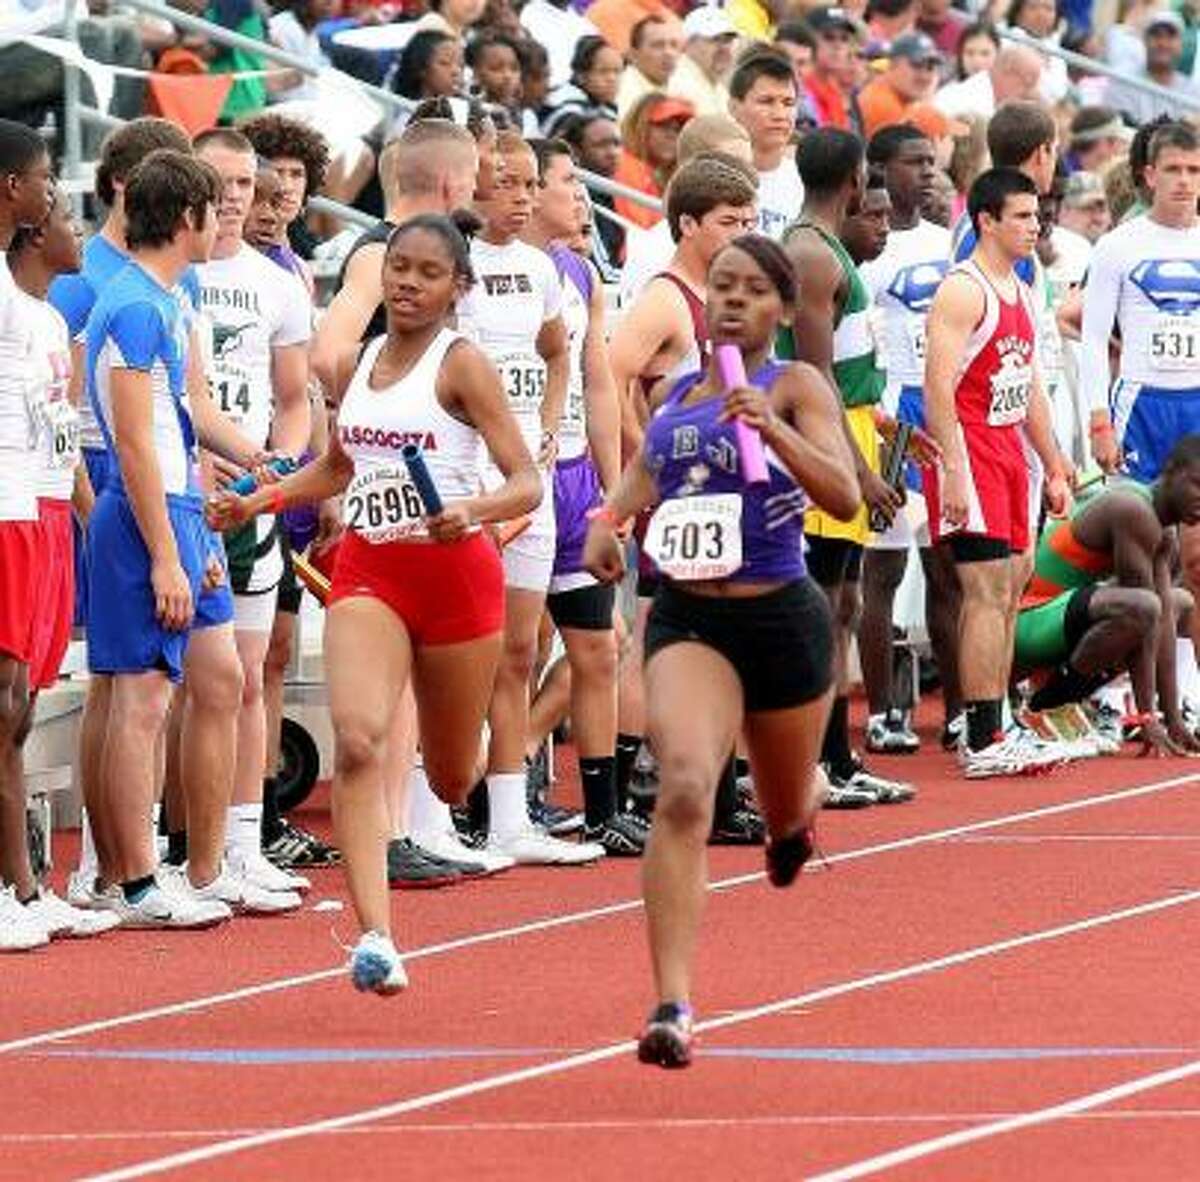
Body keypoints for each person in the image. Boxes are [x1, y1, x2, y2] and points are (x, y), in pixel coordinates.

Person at [209, 214, 542, 993]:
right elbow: (336, 468)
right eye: (400, 267)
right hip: (371, 570)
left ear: (458, 288)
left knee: (455, 778)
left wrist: (479, 512)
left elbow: (523, 478)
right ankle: (376, 938)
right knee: (359, 742)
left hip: (456, 574)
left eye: (429, 273)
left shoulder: (462, 366)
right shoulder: (357, 363)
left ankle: (459, 795)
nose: (408, 283)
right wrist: (259, 501)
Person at [582, 233, 860, 1068]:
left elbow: (842, 493)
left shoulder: (797, 385)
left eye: (753, 290)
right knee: (687, 789)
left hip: (781, 618)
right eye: (723, 287)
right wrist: (605, 527)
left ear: (780, 308)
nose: (734, 301)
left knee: (782, 811)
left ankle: (791, 829)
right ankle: (671, 1004)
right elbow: (635, 490)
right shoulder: (673, 402)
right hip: (691, 620)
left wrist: (773, 430)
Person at [82, 149, 250, 926]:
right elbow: (138, 443)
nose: (222, 224)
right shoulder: (136, 305)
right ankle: (138, 881)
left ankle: (176, 870)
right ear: (189, 217)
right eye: (215, 209)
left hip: (179, 507)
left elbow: (191, 417)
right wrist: (162, 554)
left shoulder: (170, 299)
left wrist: (264, 459)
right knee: (140, 698)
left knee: (202, 679)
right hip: (145, 512)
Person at [455, 132, 601, 865]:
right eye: (504, 183)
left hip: (529, 484)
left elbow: (558, 353)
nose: (519, 197)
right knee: (464, 652)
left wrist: (545, 429)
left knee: (519, 651)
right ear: (471, 185)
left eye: (528, 183)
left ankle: (510, 815)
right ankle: (439, 810)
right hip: (471, 481)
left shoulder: (542, 268)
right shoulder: (456, 260)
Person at [607, 155, 760, 841]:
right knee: (656, 638)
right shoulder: (667, 298)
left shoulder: (728, 294)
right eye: (729, 221)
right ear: (688, 223)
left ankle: (718, 794)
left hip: (722, 496)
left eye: (750, 220)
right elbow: (611, 374)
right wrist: (647, 460)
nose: (742, 232)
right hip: (678, 499)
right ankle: (628, 793)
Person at [192, 128, 313, 909]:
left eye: (246, 182)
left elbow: (297, 399)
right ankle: (177, 846)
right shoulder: (173, 277)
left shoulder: (278, 285)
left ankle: (242, 843)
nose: (235, 195)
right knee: (184, 685)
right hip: (185, 489)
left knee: (243, 678)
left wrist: (277, 470)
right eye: (222, 181)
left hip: (254, 501)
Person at [781, 128, 917, 805]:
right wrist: (857, 472)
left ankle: (835, 755)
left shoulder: (827, 250)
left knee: (843, 601)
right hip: (822, 442)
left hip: (853, 429)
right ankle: (809, 758)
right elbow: (812, 373)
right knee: (818, 605)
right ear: (856, 178)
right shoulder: (810, 254)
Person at [922, 168, 1070, 779]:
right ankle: (981, 734)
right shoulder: (965, 289)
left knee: (1011, 588)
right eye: (1021, 216)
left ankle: (998, 719)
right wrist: (953, 468)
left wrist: (1055, 463)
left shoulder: (1022, 284)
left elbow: (1029, 383)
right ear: (985, 220)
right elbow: (938, 382)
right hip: (972, 448)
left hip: (1010, 450)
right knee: (984, 593)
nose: (1034, 226)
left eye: (1037, 216)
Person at [514, 139, 640, 852]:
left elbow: (599, 382)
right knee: (518, 651)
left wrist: (611, 489)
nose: (581, 196)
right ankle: (496, 789)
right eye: (567, 183)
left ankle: (601, 808)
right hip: (518, 483)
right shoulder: (489, 272)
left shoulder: (581, 270)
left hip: (574, 482)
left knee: (598, 647)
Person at [859, 125, 961, 751]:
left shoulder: (944, 241)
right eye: (912, 162)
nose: (926, 173)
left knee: (947, 570)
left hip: (941, 414)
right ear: (879, 169)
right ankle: (880, 711)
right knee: (885, 568)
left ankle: (956, 709)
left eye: (932, 162)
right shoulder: (869, 247)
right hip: (891, 418)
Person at [1015, 459, 1200, 755]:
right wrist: (1147, 715)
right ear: (1172, 476)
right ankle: (1046, 704)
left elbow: (1161, 621)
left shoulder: (1164, 532)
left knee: (1179, 603)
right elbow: (1144, 616)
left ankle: (1182, 708)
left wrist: (1171, 718)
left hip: (1059, 622)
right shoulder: (1133, 509)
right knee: (1142, 607)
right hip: (1026, 624)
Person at [0, 120, 60, 950]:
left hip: (20, 504)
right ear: (12, 185)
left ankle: (18, 884)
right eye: (45, 178)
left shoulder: (19, 299)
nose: (53, 195)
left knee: (11, 708)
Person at [1084, 121, 1200, 484]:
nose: (1184, 180)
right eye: (1173, 169)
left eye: (1193, 170)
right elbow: (1093, 337)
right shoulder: (1117, 245)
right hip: (1139, 404)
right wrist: (1099, 420)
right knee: (1138, 523)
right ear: (1151, 175)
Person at [620, 114, 755, 308]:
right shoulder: (653, 250)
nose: (746, 177)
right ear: (692, 169)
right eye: (731, 167)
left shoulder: (749, 240)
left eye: (749, 166)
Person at [728, 48, 805, 241]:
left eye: (788, 103)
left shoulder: (808, 184)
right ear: (734, 107)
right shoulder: (712, 179)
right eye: (766, 101)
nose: (779, 114)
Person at [614, 93, 694, 232]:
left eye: (678, 129)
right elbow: (642, 231)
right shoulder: (628, 167)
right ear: (639, 126)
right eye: (663, 125)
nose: (672, 135)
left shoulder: (659, 174)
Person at [1105, 12, 1200, 128]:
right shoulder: (1123, 82)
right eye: (1156, 36)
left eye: (1171, 37)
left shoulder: (1193, 91)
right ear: (1144, 41)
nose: (1163, 43)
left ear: (1181, 45)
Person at [856, 32, 943, 140]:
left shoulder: (902, 98)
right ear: (893, 65)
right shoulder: (881, 103)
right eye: (917, 65)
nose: (924, 76)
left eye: (930, 68)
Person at [934, 43, 1043, 120]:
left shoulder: (986, 97)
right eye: (1028, 84)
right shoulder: (974, 102)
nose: (1031, 93)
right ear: (1008, 71)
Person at [541, 35, 622, 138]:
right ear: (581, 76)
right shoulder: (567, 111)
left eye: (617, 71)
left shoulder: (606, 108)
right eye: (603, 71)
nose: (612, 79)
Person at [669, 4, 739, 118]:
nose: (724, 48)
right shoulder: (681, 86)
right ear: (687, 44)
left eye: (728, 40)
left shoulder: (718, 88)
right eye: (715, 40)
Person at [617, 14, 683, 121]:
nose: (669, 53)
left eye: (674, 45)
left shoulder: (679, 84)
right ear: (634, 55)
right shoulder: (625, 92)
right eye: (658, 45)